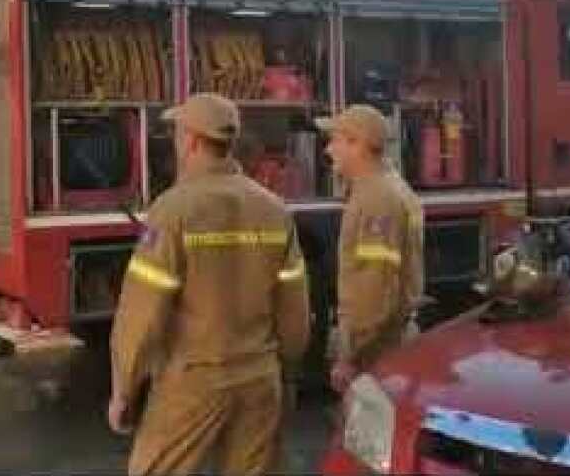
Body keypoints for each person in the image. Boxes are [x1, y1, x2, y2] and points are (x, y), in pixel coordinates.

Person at [107, 93, 312, 476]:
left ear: (192, 140)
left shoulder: (173, 211)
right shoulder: (274, 209)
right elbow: (295, 309)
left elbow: (142, 313)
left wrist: (124, 388)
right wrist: (287, 370)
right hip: (259, 380)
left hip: (194, 382)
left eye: (177, 133)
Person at [316, 104, 424, 394]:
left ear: (357, 144)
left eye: (335, 140)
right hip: (387, 342)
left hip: (379, 351)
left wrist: (351, 356)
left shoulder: (376, 199)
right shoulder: (386, 189)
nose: (328, 150)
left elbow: (375, 288)